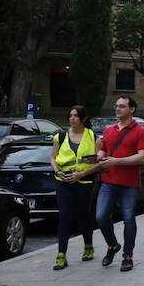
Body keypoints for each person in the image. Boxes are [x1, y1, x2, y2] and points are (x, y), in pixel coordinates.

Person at [95, 96, 144, 272]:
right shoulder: (109, 130)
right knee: (101, 216)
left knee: (128, 219)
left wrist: (116, 161)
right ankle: (112, 245)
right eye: (116, 106)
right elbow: (103, 149)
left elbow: (142, 157)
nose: (117, 109)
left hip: (129, 183)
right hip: (108, 180)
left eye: (122, 106)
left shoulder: (141, 131)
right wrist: (99, 156)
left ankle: (128, 255)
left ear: (132, 109)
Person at [50, 105, 100, 270]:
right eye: (70, 115)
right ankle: (61, 255)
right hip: (63, 180)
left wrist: (81, 174)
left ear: (83, 119)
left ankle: (88, 245)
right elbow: (53, 158)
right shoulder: (60, 136)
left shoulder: (92, 137)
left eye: (76, 116)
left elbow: (96, 164)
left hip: (83, 181)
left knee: (83, 215)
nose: (72, 118)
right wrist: (58, 171)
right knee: (65, 215)